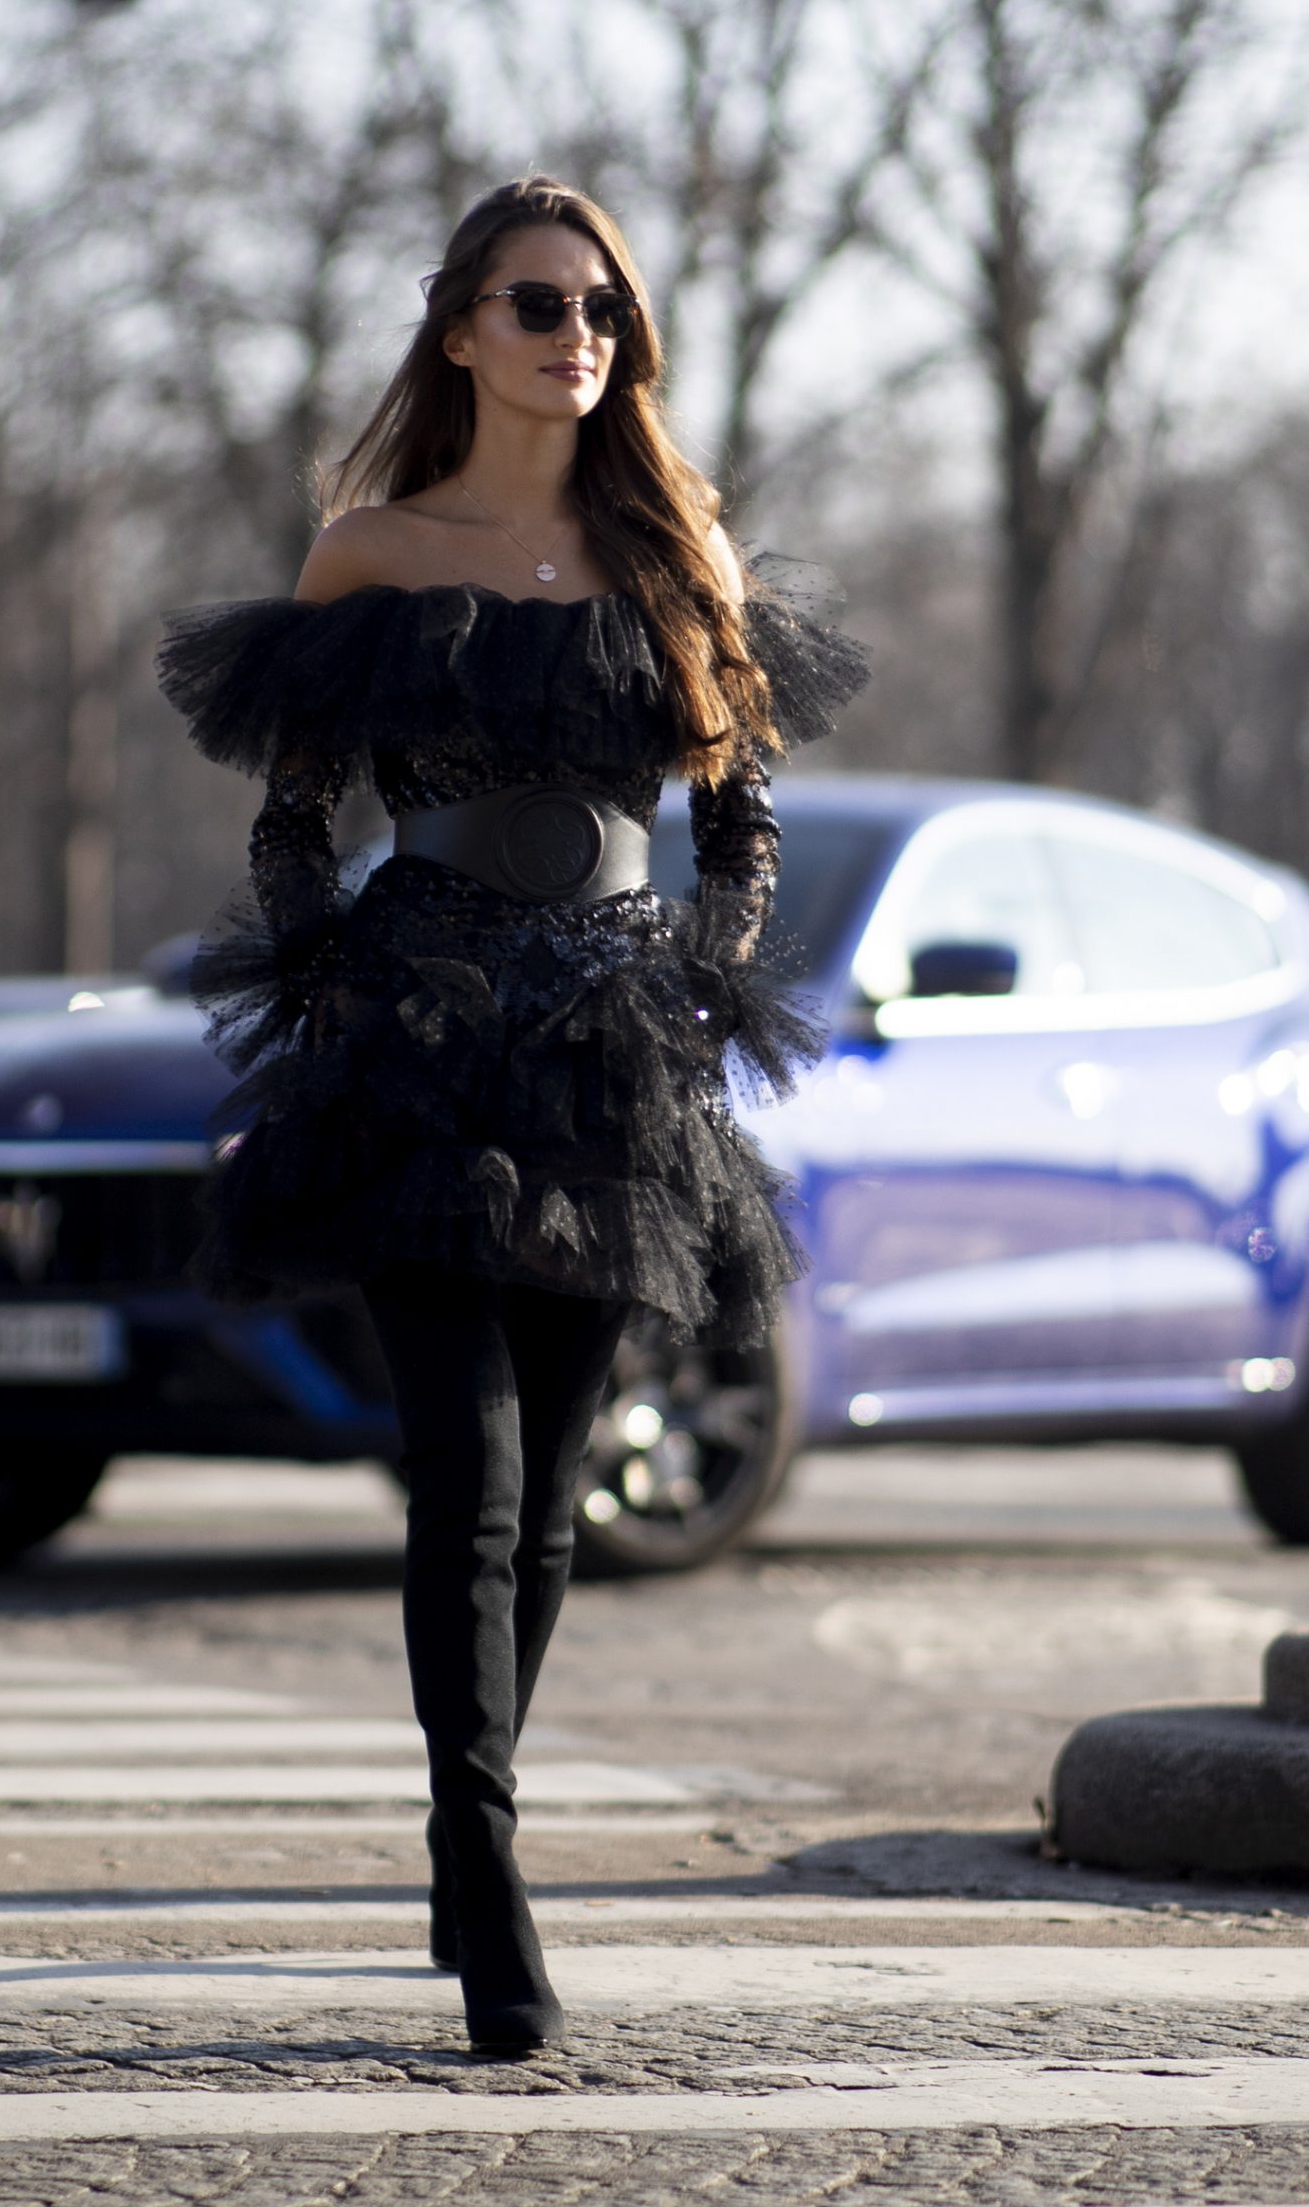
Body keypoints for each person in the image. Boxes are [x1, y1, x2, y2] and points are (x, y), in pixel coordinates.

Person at [156, 174, 864, 2056]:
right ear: (460, 326)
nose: (578, 340)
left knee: (552, 1507)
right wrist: (335, 988)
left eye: (603, 312)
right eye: (540, 307)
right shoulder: (368, 555)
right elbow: (295, 820)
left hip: (608, 1052)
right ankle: (492, 1879)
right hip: (418, 1042)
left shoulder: (676, 556)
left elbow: (747, 824)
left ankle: (463, 1841)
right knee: (462, 1479)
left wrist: (699, 976)